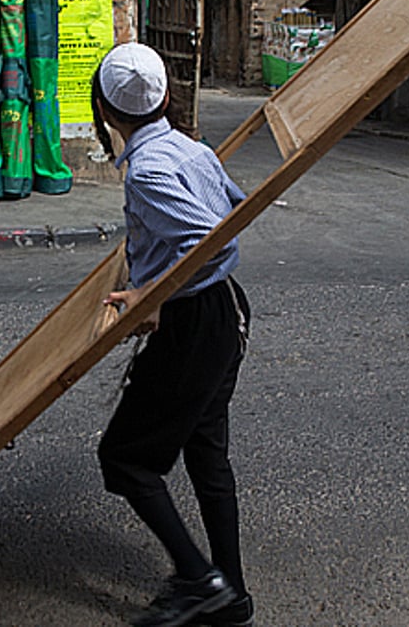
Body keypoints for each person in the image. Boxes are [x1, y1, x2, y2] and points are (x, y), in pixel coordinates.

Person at [92, 43, 254, 627]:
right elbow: (235, 208)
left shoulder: (149, 169)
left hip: (193, 323)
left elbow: (208, 240)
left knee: (125, 460)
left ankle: (201, 580)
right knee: (206, 453)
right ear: (161, 97)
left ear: (107, 110)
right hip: (224, 312)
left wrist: (146, 296)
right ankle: (231, 594)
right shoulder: (190, 147)